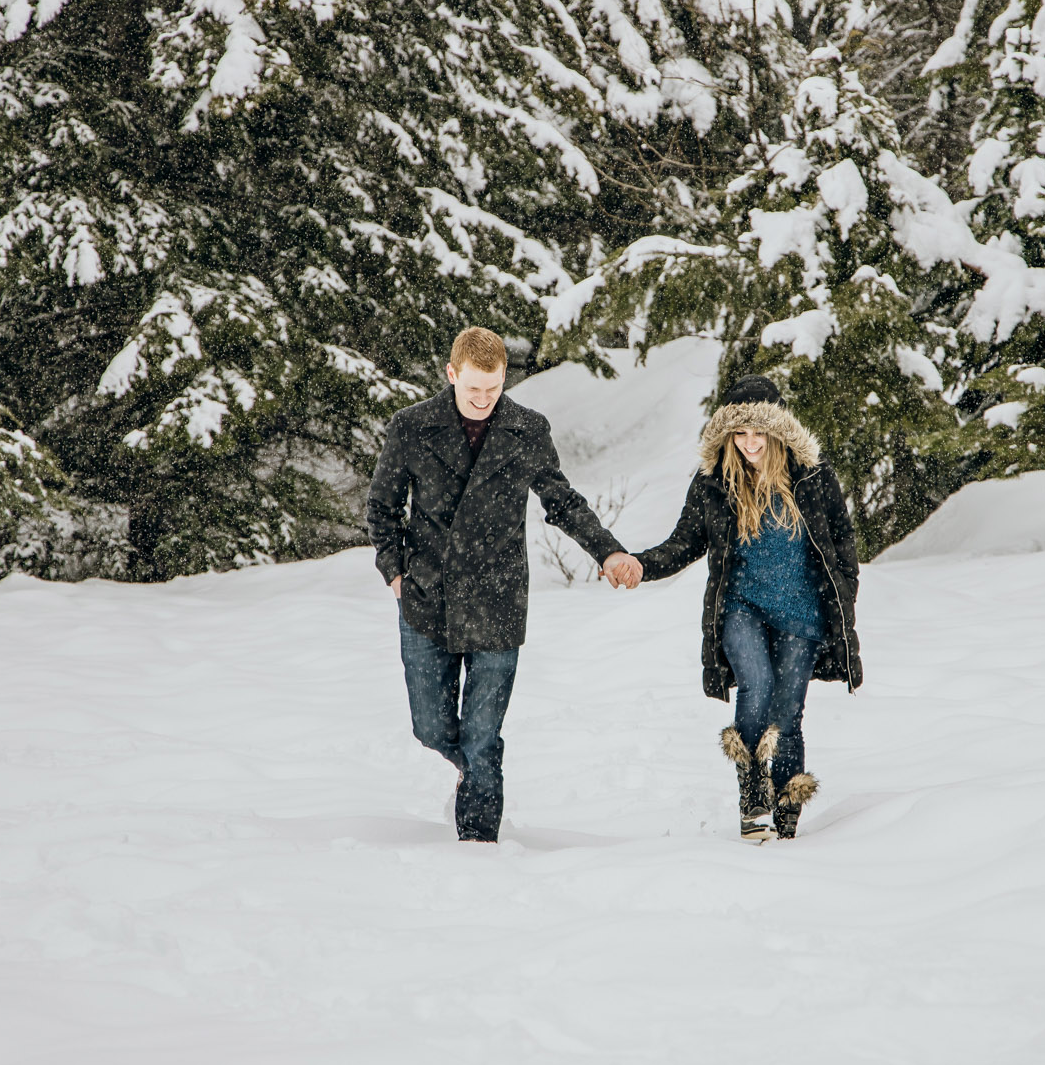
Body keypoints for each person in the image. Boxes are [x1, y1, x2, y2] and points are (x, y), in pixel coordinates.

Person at [366, 327, 642, 843]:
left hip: (498, 599)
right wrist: (396, 573)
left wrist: (608, 550)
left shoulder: (526, 430)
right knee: (430, 728)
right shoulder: (411, 427)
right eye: (472, 389)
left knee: (483, 734)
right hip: (427, 598)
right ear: (451, 375)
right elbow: (381, 508)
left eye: (492, 390)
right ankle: (472, 773)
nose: (482, 399)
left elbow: (562, 500)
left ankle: (478, 841)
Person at [637, 375, 862, 840]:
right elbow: (683, 544)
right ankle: (754, 797)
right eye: (739, 433)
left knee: (787, 712)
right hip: (743, 607)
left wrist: (845, 595)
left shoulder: (813, 478)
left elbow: (842, 543)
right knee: (755, 685)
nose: (750, 442)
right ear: (727, 436)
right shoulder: (714, 484)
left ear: (779, 430)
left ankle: (787, 801)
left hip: (802, 615)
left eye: (759, 431)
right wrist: (639, 565)